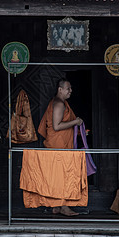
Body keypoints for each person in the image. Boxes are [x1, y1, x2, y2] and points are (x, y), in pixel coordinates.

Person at [37, 78, 84, 216]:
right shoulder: (58, 104)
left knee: (57, 176)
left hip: (59, 145)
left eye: (70, 88)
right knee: (63, 176)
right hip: (58, 146)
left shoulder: (59, 103)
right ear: (60, 89)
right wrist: (75, 122)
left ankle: (56, 206)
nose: (70, 91)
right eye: (68, 88)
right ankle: (64, 207)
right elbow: (56, 126)